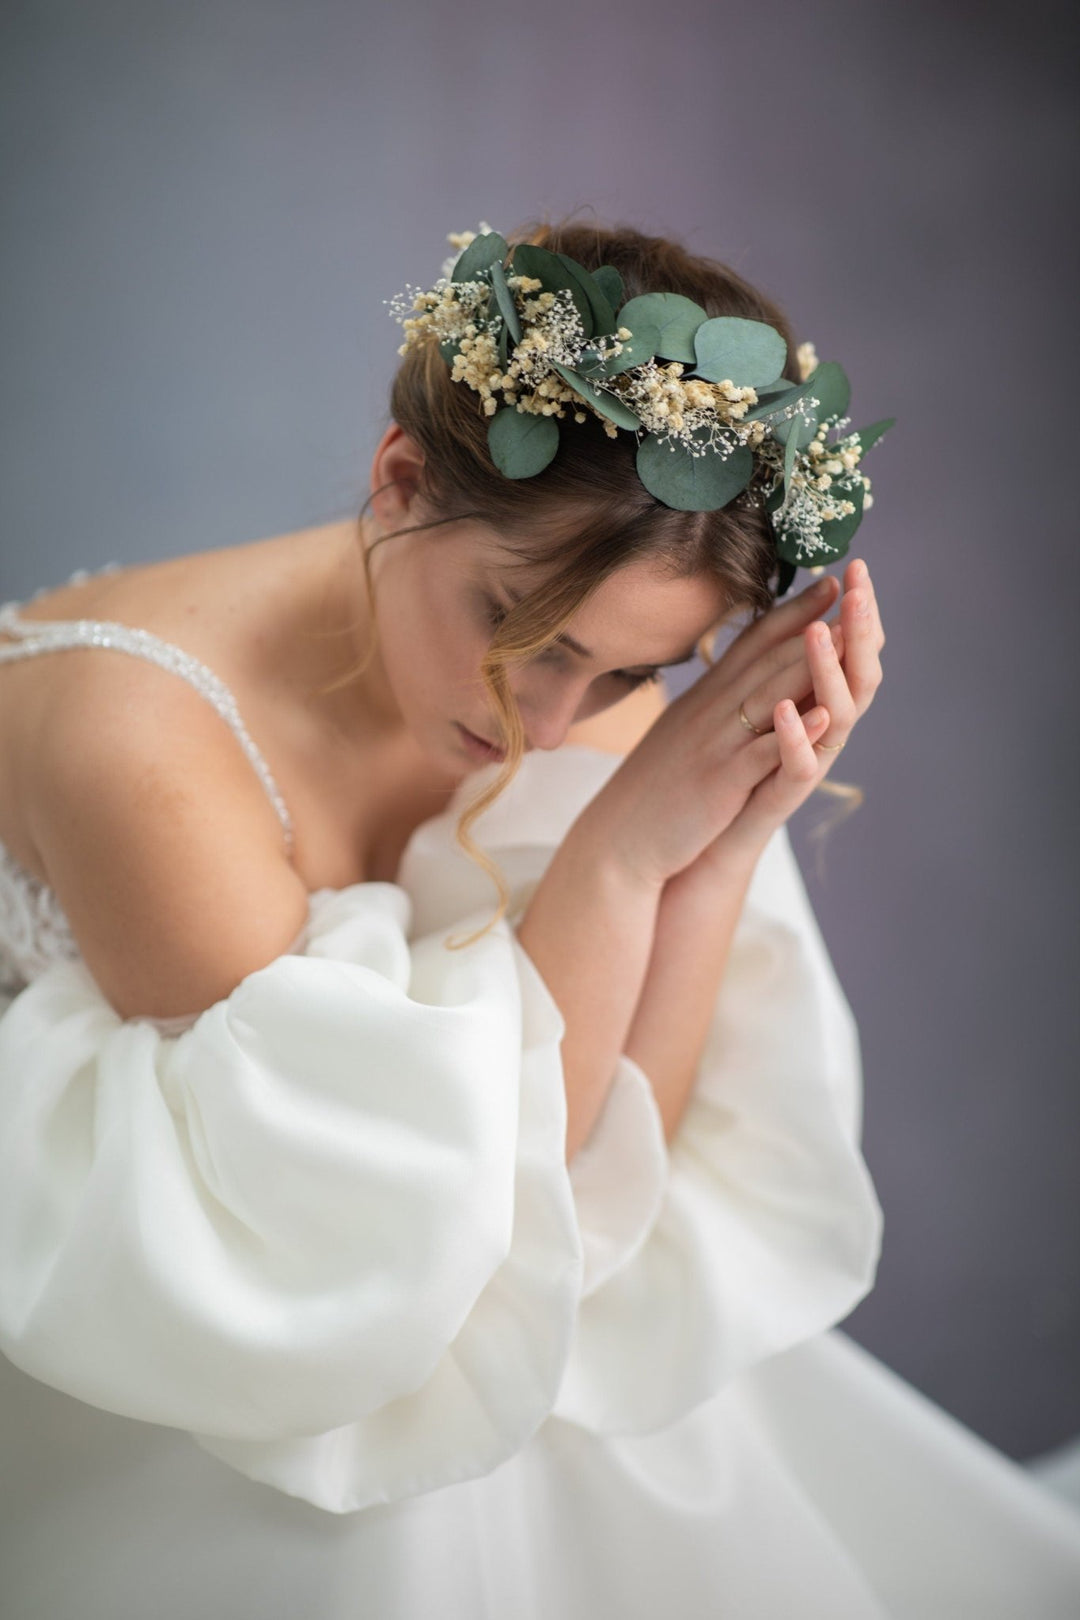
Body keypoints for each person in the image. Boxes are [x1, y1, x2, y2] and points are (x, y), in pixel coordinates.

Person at [0, 216, 1077, 1619]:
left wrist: (725, 835)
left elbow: (617, 1151)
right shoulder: (133, 739)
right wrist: (622, 858)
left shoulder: (598, 688)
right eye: (531, 635)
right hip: (201, 1317)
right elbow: (385, 1237)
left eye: (637, 675)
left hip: (404, 1263)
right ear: (399, 481)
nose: (556, 722)